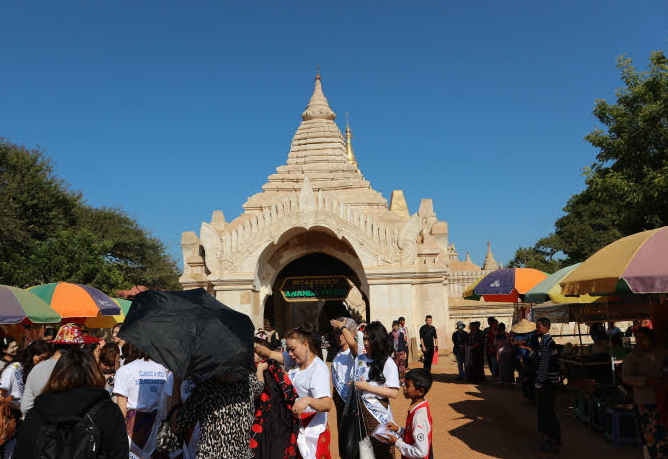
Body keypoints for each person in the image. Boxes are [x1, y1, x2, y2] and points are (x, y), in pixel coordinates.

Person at [13, 348, 128, 459]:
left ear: (57, 374)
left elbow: (22, 453)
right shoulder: (108, 411)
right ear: (95, 373)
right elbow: (119, 453)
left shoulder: (37, 412)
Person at [254, 323, 332, 459]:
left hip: (311, 431)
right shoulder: (295, 361)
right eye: (288, 350)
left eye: (293, 349)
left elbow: (327, 404)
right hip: (294, 427)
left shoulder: (318, 369)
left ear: (306, 344)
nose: (290, 354)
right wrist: (255, 346)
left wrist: (307, 400)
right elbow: (270, 353)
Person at [114, 342, 173, 459]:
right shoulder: (164, 370)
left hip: (133, 428)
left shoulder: (124, 371)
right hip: (159, 428)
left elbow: (122, 410)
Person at [355, 321, 400, 459]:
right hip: (360, 415)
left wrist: (368, 387)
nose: (366, 342)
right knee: (365, 452)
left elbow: (393, 392)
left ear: (378, 340)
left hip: (378, 414)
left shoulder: (388, 362)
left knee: (383, 452)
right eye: (364, 338)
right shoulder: (360, 359)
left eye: (369, 339)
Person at [0, 339, 52, 458]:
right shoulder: (13, 369)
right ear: (32, 354)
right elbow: (1, 395)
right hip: (11, 417)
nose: (42, 361)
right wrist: (20, 405)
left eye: (46, 359)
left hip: (25, 415)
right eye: (41, 357)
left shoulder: (33, 369)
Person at [622, 327, 668, 457]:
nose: (639, 341)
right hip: (645, 399)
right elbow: (626, 377)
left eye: (642, 338)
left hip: (664, 397)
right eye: (637, 338)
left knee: (664, 429)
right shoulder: (632, 356)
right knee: (652, 431)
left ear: (651, 339)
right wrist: (645, 381)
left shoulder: (663, 352)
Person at [21, 324, 85, 415]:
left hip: (40, 424)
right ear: (75, 348)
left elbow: (25, 407)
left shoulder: (37, 369)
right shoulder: (77, 369)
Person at [251, 337, 298, 459]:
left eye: (256, 351)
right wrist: (259, 370)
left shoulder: (273, 368)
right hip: (256, 423)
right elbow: (255, 392)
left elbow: (286, 395)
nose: (254, 354)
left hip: (276, 424)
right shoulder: (246, 370)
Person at [384, 368, 433, 459]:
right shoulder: (417, 407)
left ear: (420, 391)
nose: (404, 388)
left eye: (408, 386)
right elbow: (412, 435)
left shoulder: (419, 417)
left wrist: (397, 443)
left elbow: (421, 452)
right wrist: (398, 429)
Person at [534, 317, 561, 453]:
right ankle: (552, 439)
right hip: (549, 383)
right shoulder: (546, 342)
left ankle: (553, 441)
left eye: (538, 327)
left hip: (548, 384)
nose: (536, 329)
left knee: (547, 413)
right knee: (547, 412)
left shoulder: (546, 343)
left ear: (546, 327)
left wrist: (538, 384)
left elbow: (544, 365)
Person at [329, 317, 359, 429]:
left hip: (351, 401)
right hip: (340, 401)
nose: (338, 336)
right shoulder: (337, 355)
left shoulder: (355, 351)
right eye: (336, 333)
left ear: (350, 333)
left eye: (341, 333)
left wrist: (342, 326)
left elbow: (353, 344)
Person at [494, 323, 514, 387]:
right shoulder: (508, 335)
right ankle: (507, 381)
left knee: (501, 368)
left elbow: (495, 346)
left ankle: (502, 381)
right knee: (508, 368)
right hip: (508, 353)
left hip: (501, 354)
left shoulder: (497, 336)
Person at [390, 320, 408, 385]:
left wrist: (405, 352)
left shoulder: (401, 334)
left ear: (398, 326)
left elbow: (404, 343)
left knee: (402, 367)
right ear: (392, 326)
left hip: (401, 352)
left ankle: (402, 380)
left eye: (396, 326)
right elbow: (389, 344)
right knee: (395, 367)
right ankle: (396, 380)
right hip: (394, 353)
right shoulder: (390, 334)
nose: (395, 327)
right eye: (394, 326)